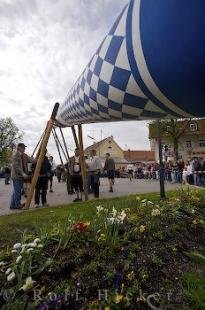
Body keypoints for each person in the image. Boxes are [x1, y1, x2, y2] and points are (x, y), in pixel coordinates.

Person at [10, 143, 32, 210]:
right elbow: (16, 166)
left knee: (16, 191)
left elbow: (31, 160)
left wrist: (38, 158)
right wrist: (23, 174)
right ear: (19, 148)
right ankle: (17, 205)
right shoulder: (16, 155)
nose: (24, 149)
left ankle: (13, 205)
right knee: (17, 191)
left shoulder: (24, 155)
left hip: (20, 176)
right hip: (17, 176)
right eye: (23, 147)